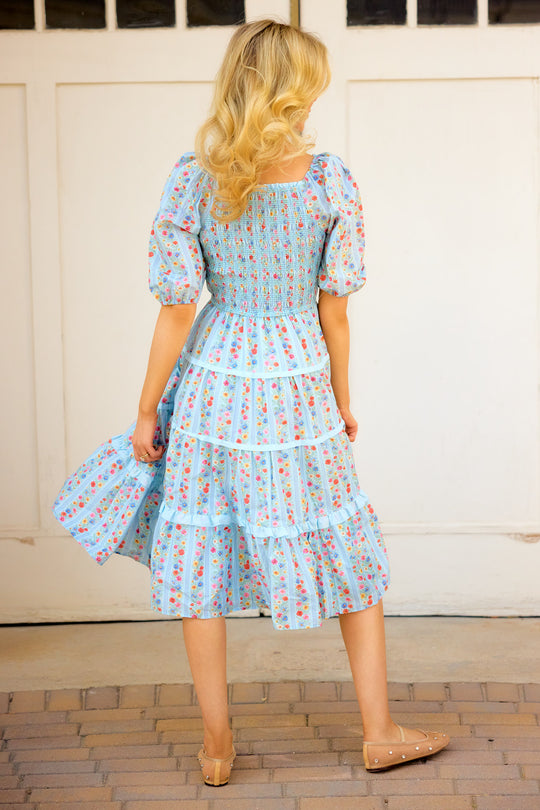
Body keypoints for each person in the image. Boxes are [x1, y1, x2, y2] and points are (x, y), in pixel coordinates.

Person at [52, 17, 449, 787]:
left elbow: (175, 309)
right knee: (343, 548)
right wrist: (340, 400)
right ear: (296, 91)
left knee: (203, 555)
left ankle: (216, 746)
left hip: (213, 379)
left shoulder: (194, 176)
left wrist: (145, 410)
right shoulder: (329, 179)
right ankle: (379, 732)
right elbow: (335, 310)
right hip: (296, 378)